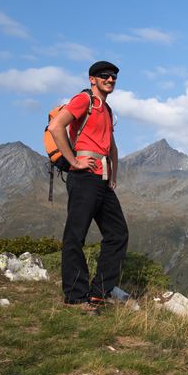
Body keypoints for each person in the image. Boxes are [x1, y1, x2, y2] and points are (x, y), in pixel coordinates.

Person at [48, 60, 129, 313]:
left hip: (102, 180)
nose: (111, 79)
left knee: (118, 233)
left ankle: (98, 293)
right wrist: (73, 160)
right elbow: (56, 126)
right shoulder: (84, 100)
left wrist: (113, 175)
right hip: (83, 178)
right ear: (92, 79)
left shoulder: (106, 108)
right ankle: (74, 296)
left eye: (114, 76)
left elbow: (111, 146)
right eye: (105, 75)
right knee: (75, 235)